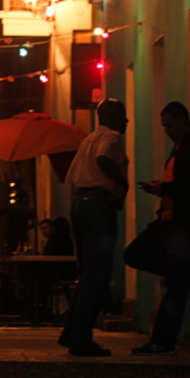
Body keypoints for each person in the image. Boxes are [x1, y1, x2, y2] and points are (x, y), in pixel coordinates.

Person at [125, 101, 190, 355]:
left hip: (185, 224)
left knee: (176, 286)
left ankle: (163, 340)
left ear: (181, 119)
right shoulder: (179, 147)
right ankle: (188, 266)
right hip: (168, 220)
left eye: (168, 125)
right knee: (133, 254)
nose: (166, 130)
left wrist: (164, 188)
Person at [58, 99, 129, 357]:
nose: (127, 121)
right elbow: (104, 160)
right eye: (123, 115)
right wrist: (123, 184)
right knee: (97, 273)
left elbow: (73, 177)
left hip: (80, 202)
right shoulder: (111, 137)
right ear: (111, 116)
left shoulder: (87, 140)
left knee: (86, 273)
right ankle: (80, 338)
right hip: (98, 205)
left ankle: (70, 331)